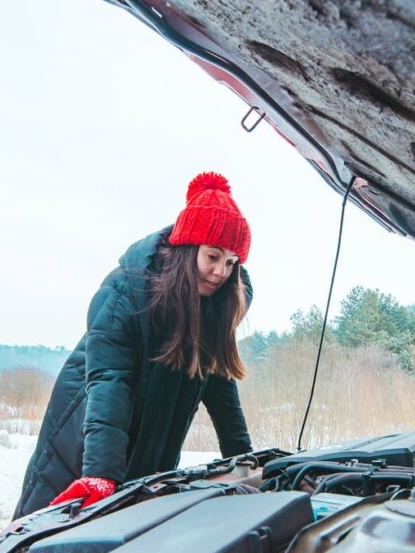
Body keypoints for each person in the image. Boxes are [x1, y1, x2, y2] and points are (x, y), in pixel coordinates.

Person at [13, 172, 254, 518]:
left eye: (231, 262)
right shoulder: (128, 292)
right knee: (49, 537)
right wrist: (99, 473)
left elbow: (218, 384)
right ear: (188, 249)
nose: (220, 272)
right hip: (86, 438)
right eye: (212, 256)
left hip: (153, 440)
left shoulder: (214, 306)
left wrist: (243, 456)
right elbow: (110, 381)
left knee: (129, 529)